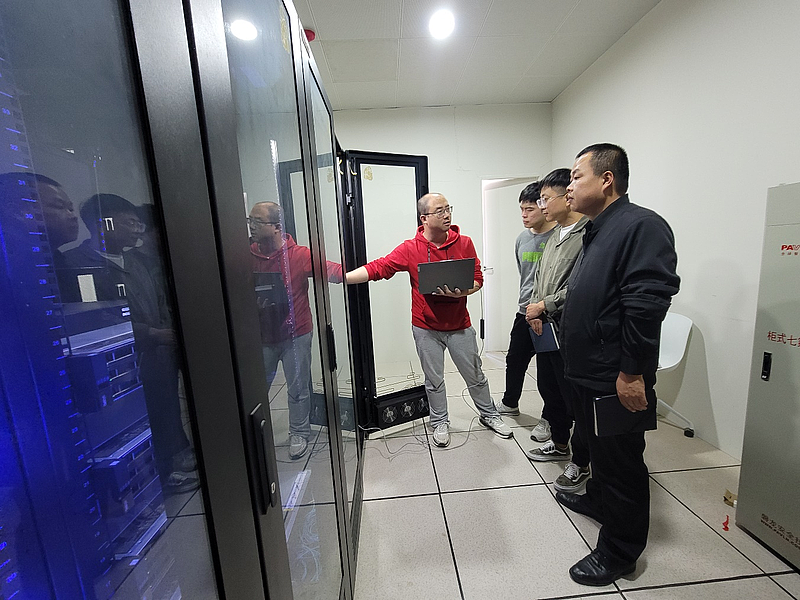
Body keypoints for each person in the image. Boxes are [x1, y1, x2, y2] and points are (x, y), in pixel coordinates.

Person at [556, 144, 680, 586]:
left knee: (620, 464)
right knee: (597, 452)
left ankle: (620, 552)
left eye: (576, 177)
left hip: (614, 375)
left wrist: (632, 372)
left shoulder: (641, 226)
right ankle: (597, 500)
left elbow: (645, 306)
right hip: (588, 370)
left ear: (607, 179)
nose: (569, 188)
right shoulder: (597, 229)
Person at [345, 192, 512, 447]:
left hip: (459, 325)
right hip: (425, 327)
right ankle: (440, 421)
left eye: (448, 208)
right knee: (434, 380)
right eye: (440, 210)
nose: (447, 215)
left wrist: (464, 291)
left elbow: (478, 278)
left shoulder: (464, 243)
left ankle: (489, 414)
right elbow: (380, 267)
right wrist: (344, 277)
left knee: (475, 375)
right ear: (424, 218)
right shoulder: (410, 248)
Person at [63, 194, 197, 493]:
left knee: (163, 412)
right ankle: (149, 480)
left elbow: (160, 301)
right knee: (129, 422)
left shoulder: (138, 262)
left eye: (139, 224)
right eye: (131, 223)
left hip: (157, 356)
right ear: (104, 224)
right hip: (117, 363)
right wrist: (150, 333)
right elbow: (94, 320)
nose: (138, 230)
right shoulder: (76, 264)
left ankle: (168, 467)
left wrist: (166, 332)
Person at [249, 201, 343, 460]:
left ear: (276, 226)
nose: (251, 226)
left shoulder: (299, 255)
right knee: (255, 391)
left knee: (298, 388)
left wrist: (358, 273)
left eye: (257, 221)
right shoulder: (245, 256)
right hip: (261, 337)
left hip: (296, 334)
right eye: (250, 221)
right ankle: (253, 437)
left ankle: (299, 432)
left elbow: (331, 270)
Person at [522, 168, 591, 494]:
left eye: (545, 199)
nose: (542, 206)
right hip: (545, 326)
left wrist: (545, 305)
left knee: (574, 398)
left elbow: (579, 286)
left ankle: (581, 461)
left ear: (567, 196)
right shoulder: (554, 236)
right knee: (550, 388)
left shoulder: (587, 234)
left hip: (570, 330)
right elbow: (539, 278)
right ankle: (560, 443)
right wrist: (535, 308)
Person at [495, 181, 556, 443]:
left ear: (543, 206)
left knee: (548, 372)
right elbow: (525, 275)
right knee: (515, 360)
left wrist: (541, 308)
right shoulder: (522, 238)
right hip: (524, 311)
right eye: (521, 209)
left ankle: (550, 418)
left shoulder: (557, 237)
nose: (524, 214)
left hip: (548, 315)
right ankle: (510, 403)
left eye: (529, 209)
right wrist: (528, 307)